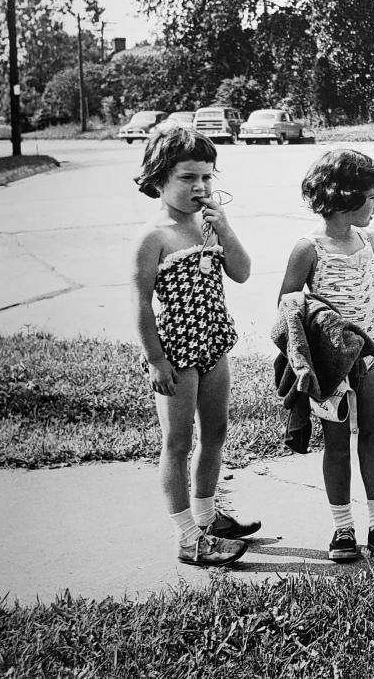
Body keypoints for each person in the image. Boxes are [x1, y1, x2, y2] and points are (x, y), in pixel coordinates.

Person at [131, 127, 256, 568]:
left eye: (206, 177)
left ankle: (207, 516)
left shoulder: (208, 224)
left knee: (216, 432)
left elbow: (241, 272)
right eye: (187, 178)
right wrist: (155, 360)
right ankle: (187, 535)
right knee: (178, 442)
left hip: (214, 342)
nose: (199, 187)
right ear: (159, 178)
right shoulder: (154, 236)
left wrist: (225, 227)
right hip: (176, 349)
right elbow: (141, 303)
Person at [278, 149, 374, 562]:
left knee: (373, 435)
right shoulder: (308, 248)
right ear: (343, 196)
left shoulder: (369, 239)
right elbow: (289, 305)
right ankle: (343, 529)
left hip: (373, 356)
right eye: (372, 197)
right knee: (335, 444)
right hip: (332, 363)